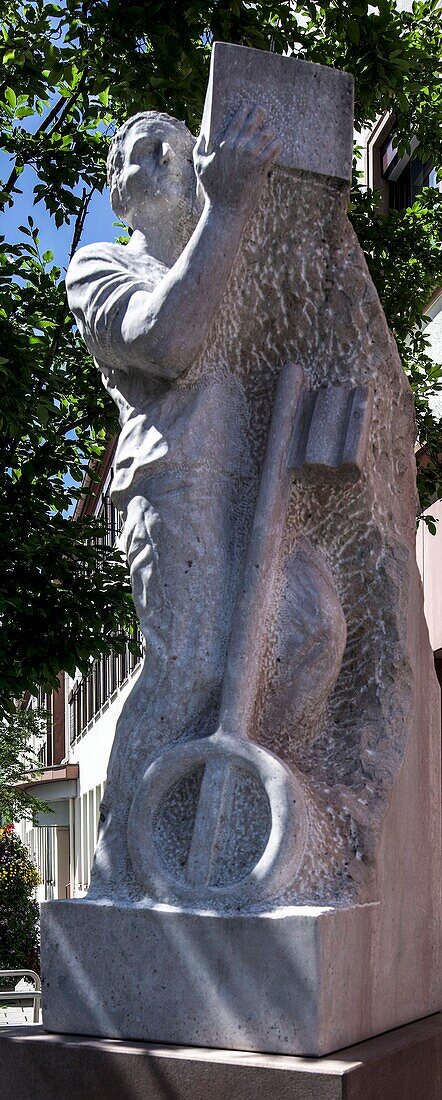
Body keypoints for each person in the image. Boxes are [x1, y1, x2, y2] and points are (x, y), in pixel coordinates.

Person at [66, 104, 281, 896]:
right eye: (139, 151)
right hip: (177, 480)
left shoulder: (228, 263)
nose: (163, 155)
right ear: (119, 195)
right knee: (188, 668)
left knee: (301, 634)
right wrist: (229, 209)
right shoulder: (99, 266)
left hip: (262, 489)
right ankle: (122, 871)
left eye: (177, 147)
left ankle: (237, 840)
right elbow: (166, 340)